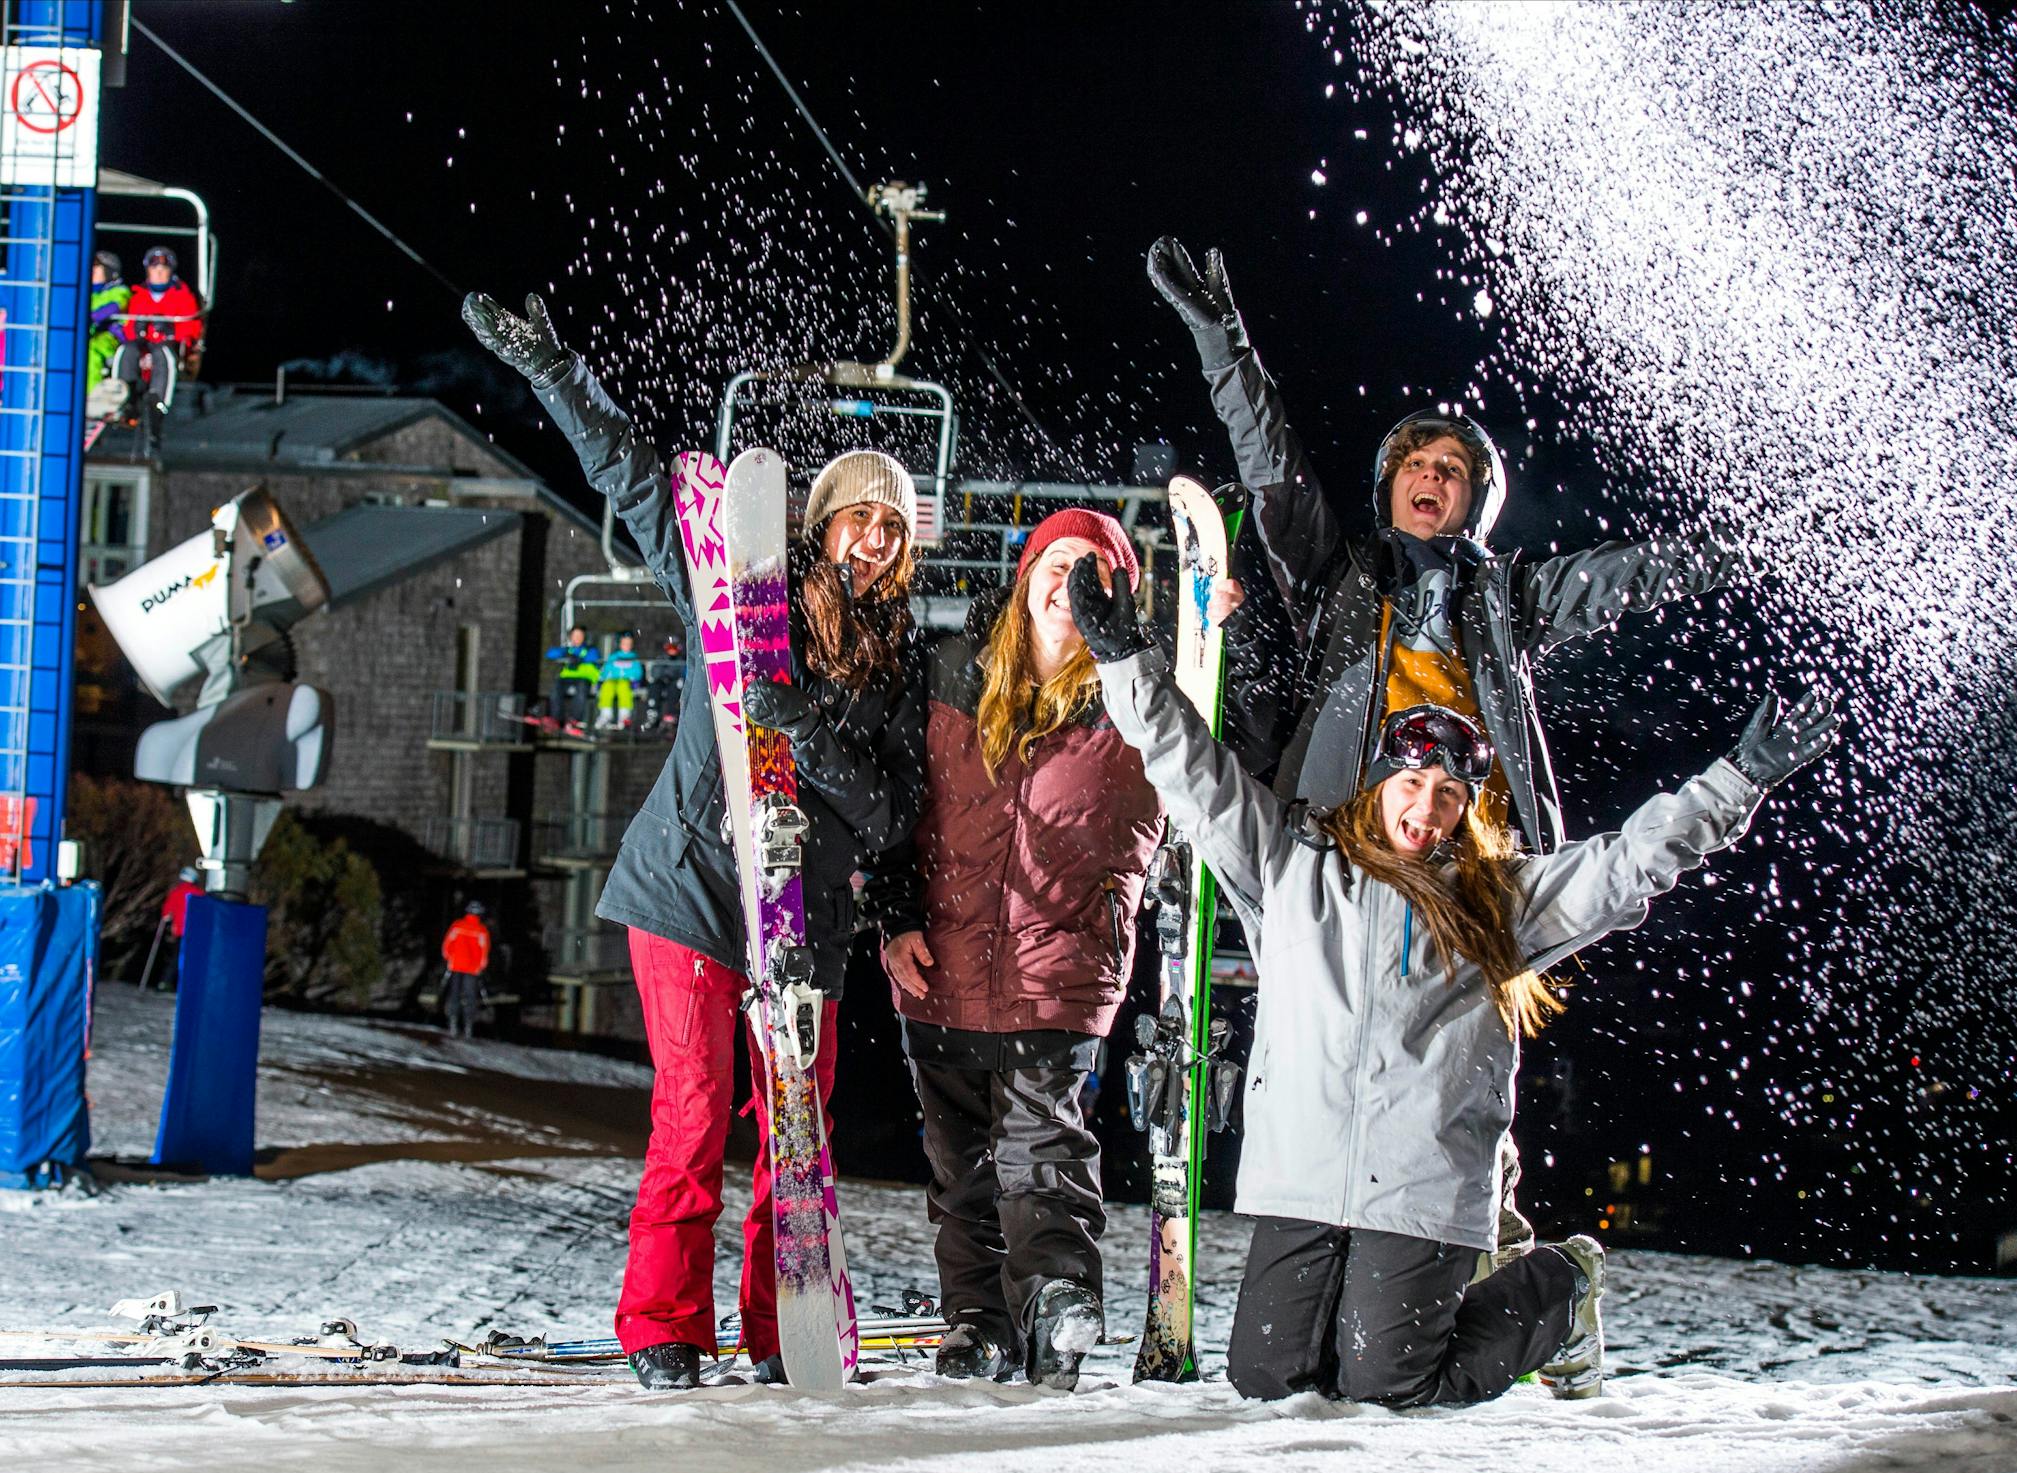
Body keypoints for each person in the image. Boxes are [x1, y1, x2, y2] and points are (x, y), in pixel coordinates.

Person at [1067, 554, 1838, 1406]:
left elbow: (1626, 868)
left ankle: (1560, 1287)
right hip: (1301, 1173)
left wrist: (1735, 782)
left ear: (1468, 806)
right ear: (1377, 785)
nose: (1426, 807)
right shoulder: (1292, 862)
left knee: (1392, 1385)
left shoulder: (1498, 901)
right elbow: (1193, 773)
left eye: (1447, 794)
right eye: (1411, 783)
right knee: (1266, 1385)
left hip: (1420, 1185)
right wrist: (1126, 661)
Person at [1149, 237, 1749, 1270]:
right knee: (1323, 1050)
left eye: (1453, 470)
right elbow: (1271, 466)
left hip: (1460, 870)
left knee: (1448, 1075)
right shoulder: (1342, 582)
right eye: (1416, 465)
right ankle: (1317, 1252)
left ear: (1474, 502)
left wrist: (1735, 545)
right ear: (1387, 486)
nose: (1432, 477)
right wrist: (1221, 337)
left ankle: (1513, 1272)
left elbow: (1621, 579)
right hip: (1339, 852)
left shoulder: (1504, 601)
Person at [463, 291, 926, 1391]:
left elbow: (889, 812)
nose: (874, 537)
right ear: (818, 523)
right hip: (689, 890)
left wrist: (797, 723)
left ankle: (781, 1328)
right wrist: (553, 365)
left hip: (802, 921)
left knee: (792, 1135)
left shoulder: (900, 665)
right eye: (858, 516)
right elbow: (627, 473)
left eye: (894, 525)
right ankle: (660, 1325)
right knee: (688, 1109)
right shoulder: (731, 598)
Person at [867, 508, 1165, 1390]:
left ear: (1114, 594)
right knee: (959, 1170)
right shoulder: (951, 672)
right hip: (943, 966)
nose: (1067, 579)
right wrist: (891, 915)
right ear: (1026, 573)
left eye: (1091, 568)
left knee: (1043, 1148)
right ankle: (977, 1323)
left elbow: (1235, 740)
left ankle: (1058, 1301)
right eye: (1054, 559)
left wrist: (1227, 635)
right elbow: (895, 808)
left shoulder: (1139, 695)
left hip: (1061, 972)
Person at [115, 245, 203, 438]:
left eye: (164, 268)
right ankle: (123, 398)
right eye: (155, 268)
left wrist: (173, 331)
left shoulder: (182, 296)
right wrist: (135, 330)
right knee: (126, 350)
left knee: (162, 355)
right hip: (142, 345)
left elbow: (192, 327)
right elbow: (127, 324)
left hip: (165, 345)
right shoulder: (138, 295)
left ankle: (158, 403)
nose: (159, 272)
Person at [86, 251, 130, 417]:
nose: (91, 271)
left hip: (108, 336)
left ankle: (91, 397)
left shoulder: (118, 290)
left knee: (90, 351)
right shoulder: (84, 292)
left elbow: (113, 307)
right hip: (89, 333)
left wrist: (92, 318)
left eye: (97, 268)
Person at [440, 902, 492, 1038]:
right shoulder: (482, 930)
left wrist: (449, 958)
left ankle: (453, 1025)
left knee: (454, 995)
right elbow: (484, 952)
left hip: (456, 966)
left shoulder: (457, 926)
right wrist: (480, 967)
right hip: (472, 970)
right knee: (470, 998)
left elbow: (446, 945)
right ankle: (468, 1028)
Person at [153, 865, 204, 991]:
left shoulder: (176, 892)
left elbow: (166, 913)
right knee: (192, 958)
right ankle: (189, 985)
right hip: (196, 932)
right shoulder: (199, 894)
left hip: (180, 931)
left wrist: (168, 917)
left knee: (176, 958)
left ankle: (166, 982)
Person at [543, 625, 602, 731]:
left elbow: (594, 657)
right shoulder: (568, 650)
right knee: (556, 687)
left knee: (581, 690)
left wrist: (580, 658)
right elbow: (550, 654)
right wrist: (566, 654)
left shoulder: (590, 649)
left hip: (584, 677)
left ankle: (574, 720)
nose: (577, 638)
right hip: (568, 677)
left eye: (580, 636)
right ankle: (555, 718)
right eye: (575, 636)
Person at [595, 633, 645, 731]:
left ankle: (624, 716)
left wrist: (634, 679)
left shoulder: (634, 658)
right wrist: (602, 679)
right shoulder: (614, 657)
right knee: (607, 687)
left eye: (629, 643)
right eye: (624, 643)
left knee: (623, 687)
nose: (626, 646)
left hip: (626, 682)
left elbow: (638, 672)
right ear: (620, 644)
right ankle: (605, 714)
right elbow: (606, 669)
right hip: (613, 680)